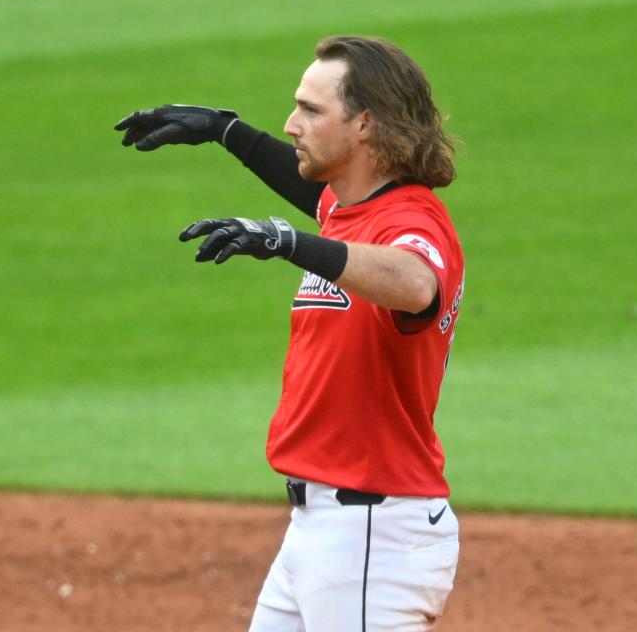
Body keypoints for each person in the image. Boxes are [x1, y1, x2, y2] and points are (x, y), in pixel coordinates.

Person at [116, 35, 465, 632]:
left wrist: (288, 243)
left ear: (364, 125)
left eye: (310, 110)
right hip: (323, 531)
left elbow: (415, 283)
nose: (291, 123)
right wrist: (226, 131)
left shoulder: (413, 220)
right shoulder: (349, 211)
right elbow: (316, 197)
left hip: (371, 536)